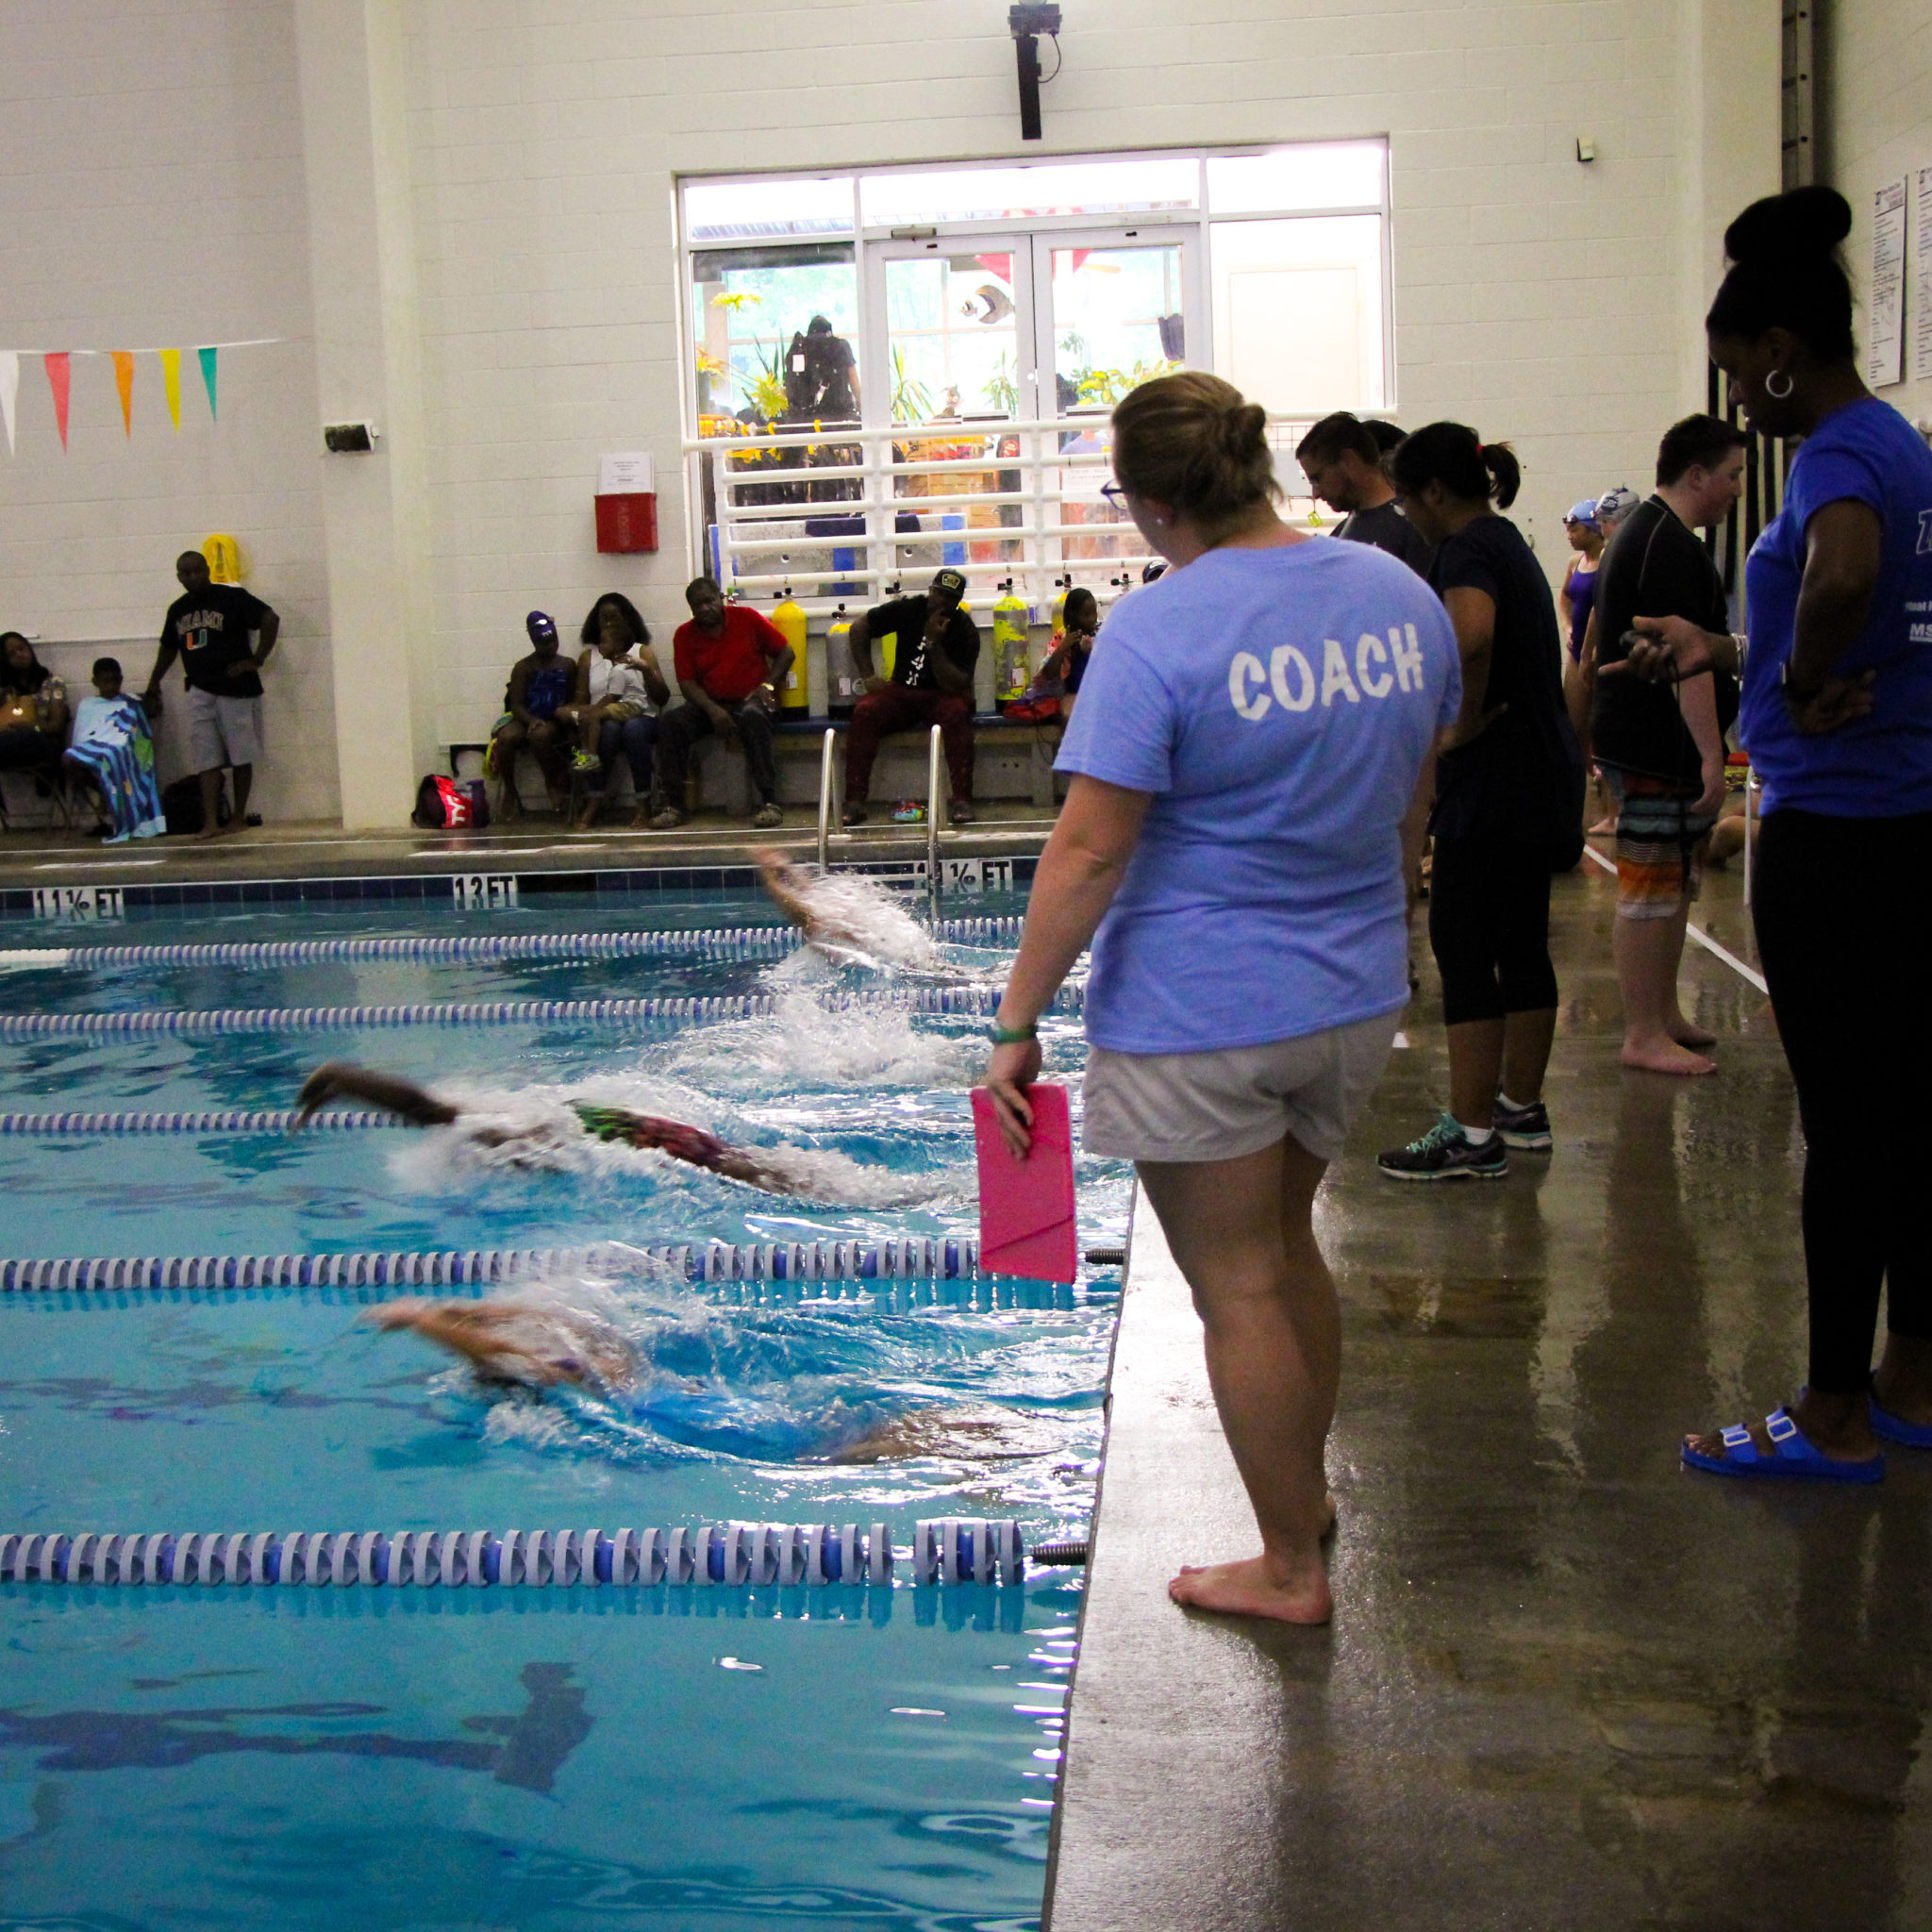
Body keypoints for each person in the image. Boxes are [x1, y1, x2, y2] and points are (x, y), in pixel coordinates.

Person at [981, 373, 1459, 1624]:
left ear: (1148, 501)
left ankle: (1288, 1567)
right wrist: (1393, 916)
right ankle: (1303, 1499)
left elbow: (1089, 850)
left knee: (1235, 1284)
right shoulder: (1394, 592)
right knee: (1287, 1247)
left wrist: (1016, 1021)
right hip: (1350, 993)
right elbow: (1414, 786)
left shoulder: (1160, 630)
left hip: (1204, 1013)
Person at [1607, 186, 1932, 1483]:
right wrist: (1739, 649)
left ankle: (1832, 1412)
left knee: (1847, 1128)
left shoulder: (1842, 454)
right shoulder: (1903, 442)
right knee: (1905, 1111)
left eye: (1743, 372)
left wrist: (1796, 681)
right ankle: (1911, 1376)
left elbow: (1847, 576)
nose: (1740, 401)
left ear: (1783, 348)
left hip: (1839, 836)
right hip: (1906, 817)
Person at [1376, 423, 1586, 1180]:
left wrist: (1455, 733)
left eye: (1405, 499)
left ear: (1434, 491)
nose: (1406, 514)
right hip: (1540, 776)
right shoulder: (1505, 541)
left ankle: (1468, 1133)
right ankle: (1520, 1110)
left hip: (1494, 785)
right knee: (1521, 943)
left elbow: (1470, 637)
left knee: (1464, 946)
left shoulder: (1463, 549)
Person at [1589, 414, 1746, 1074]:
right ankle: (1643, 1031)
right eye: (1734, 476)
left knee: (1675, 881)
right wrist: (1714, 754)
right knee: (1651, 887)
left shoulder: (1663, 538)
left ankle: (1662, 1014)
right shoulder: (1665, 546)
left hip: (1659, 745)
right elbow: (1686, 663)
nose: (1738, 490)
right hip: (1655, 746)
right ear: (1697, 474)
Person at [295, 1060, 833, 1196]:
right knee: (755, 1169)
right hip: (633, 1130)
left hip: (618, 1130)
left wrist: (345, 1080)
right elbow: (426, 1111)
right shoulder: (526, 1142)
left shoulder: (527, 1144)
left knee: (754, 1171)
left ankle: (340, 1076)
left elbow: (427, 1111)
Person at [143, 550, 278, 841]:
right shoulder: (177, 610)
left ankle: (238, 816)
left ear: (207, 570)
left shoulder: (232, 597)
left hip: (236, 688)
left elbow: (270, 618)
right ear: (179, 577)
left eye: (197, 570)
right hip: (200, 688)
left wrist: (256, 659)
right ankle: (211, 822)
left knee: (241, 754)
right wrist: (154, 680)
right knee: (206, 758)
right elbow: (169, 647)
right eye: (186, 573)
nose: (193, 577)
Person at [842, 567, 980, 826]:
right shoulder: (909, 609)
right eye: (938, 593)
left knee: (958, 714)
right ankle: (855, 802)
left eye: (949, 598)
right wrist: (868, 674)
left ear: (958, 602)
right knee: (865, 712)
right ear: (930, 591)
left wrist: (933, 643)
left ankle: (962, 800)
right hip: (902, 691)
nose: (941, 601)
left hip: (941, 695)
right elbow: (859, 628)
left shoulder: (964, 629)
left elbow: (956, 685)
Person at [654, 577, 791, 832]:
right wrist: (712, 709)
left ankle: (770, 802)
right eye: (697, 605)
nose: (705, 608)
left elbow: (786, 652)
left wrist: (768, 686)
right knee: (671, 722)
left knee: (752, 715)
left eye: (709, 601)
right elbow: (686, 683)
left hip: (753, 701)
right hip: (712, 704)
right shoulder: (684, 635)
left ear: (720, 598)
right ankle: (674, 806)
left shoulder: (747, 618)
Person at [556, 594, 669, 831]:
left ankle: (643, 803)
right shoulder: (588, 658)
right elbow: (581, 700)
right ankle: (595, 799)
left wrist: (646, 671)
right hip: (606, 716)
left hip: (641, 715)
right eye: (603, 619)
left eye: (613, 619)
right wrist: (574, 712)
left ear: (627, 621)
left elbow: (662, 697)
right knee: (606, 730)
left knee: (633, 731)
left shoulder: (642, 652)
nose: (608, 625)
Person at [1295, 412, 1434, 575]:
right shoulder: (1343, 531)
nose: (1316, 493)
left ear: (1349, 460)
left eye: (1317, 479)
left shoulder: (1414, 525)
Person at [61, 658, 164, 843]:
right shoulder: (87, 704)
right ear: (95, 682)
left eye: (114, 681)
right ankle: (104, 790)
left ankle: (111, 794)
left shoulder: (131, 703)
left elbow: (138, 737)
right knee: (69, 758)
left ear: (121, 679)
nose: (110, 686)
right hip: (93, 750)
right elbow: (82, 735)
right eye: (105, 681)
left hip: (124, 752)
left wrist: (151, 700)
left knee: (112, 756)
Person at [488, 612, 575, 819]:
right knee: (506, 737)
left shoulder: (567, 665)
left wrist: (565, 716)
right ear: (534, 643)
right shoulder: (523, 667)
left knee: (539, 735)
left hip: (555, 719)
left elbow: (573, 698)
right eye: (545, 643)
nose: (551, 646)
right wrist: (530, 719)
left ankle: (551, 781)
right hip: (527, 716)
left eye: (554, 640)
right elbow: (516, 705)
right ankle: (510, 788)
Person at [0, 633, 68, 782]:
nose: (19, 655)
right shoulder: (5, 689)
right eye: (12, 654)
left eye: (21, 648)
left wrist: (32, 726)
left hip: (42, 742)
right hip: (9, 745)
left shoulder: (52, 683)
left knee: (25, 735)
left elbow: (57, 725)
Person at [1031, 585, 1099, 728]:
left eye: (1094, 613)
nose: (1092, 619)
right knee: (1074, 717)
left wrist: (1093, 653)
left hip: (1097, 694)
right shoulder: (1061, 638)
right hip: (1071, 694)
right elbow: (1047, 675)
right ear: (1072, 616)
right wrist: (1063, 648)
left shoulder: (1100, 637)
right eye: (1086, 615)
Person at [1557, 500, 1604, 664]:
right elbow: (1564, 595)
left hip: (1600, 650)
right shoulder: (1575, 562)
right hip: (1576, 649)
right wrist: (1567, 626)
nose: (1569, 536)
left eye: (1575, 530)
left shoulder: (1608, 563)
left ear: (1594, 531)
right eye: (1568, 531)